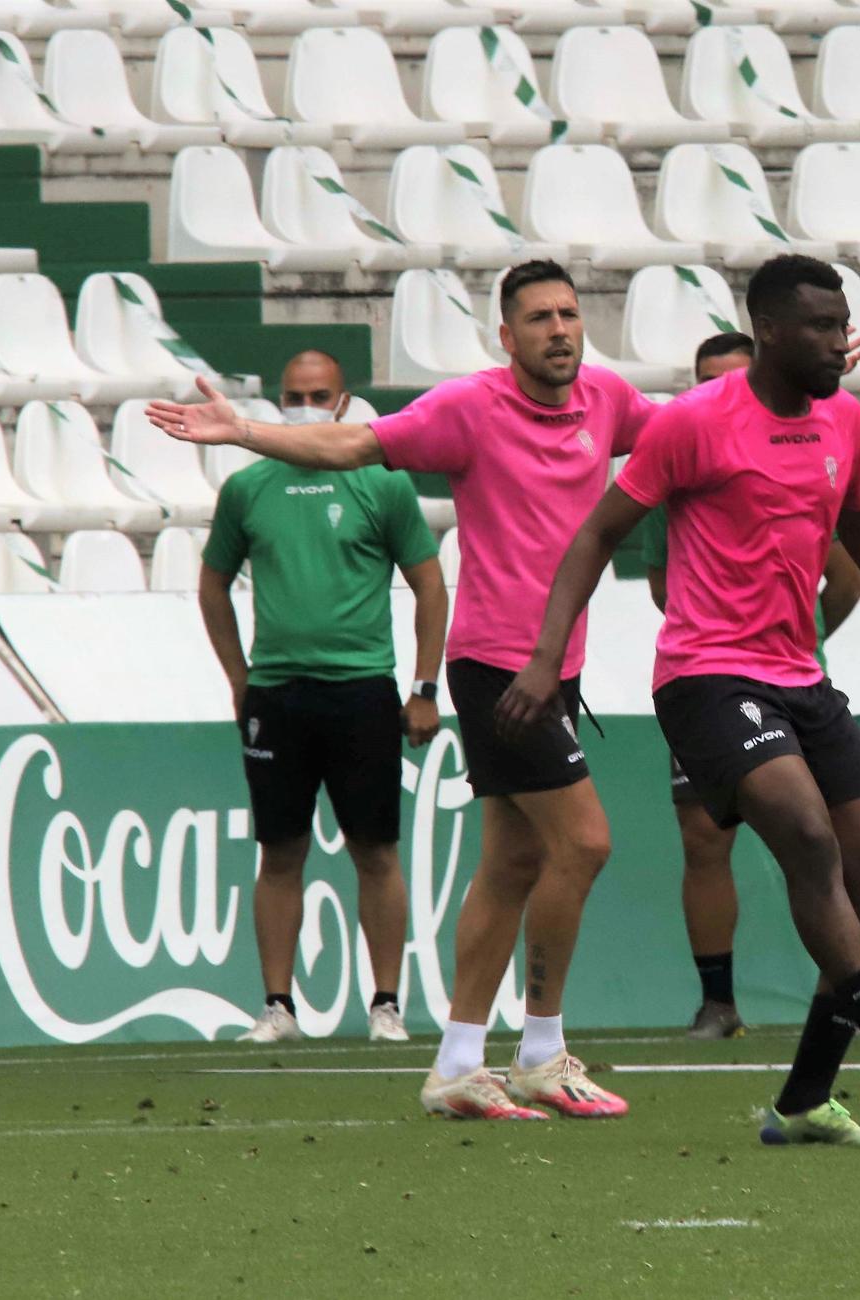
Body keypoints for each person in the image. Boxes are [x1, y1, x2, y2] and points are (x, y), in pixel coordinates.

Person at [500, 254, 860, 1147]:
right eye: (818, 325)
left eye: (842, 322)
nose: (838, 340)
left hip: (801, 677)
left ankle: (805, 1099)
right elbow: (596, 535)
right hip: (704, 675)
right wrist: (546, 659)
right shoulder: (694, 424)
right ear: (769, 330)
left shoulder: (846, 420)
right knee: (808, 837)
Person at [153, 261, 653, 1121]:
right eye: (538, 318)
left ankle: (458, 1063)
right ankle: (540, 1049)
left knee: (513, 863)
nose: (559, 329)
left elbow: (692, 426)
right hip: (501, 665)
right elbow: (348, 444)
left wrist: (790, 383)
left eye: (569, 313)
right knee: (586, 844)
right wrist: (245, 433)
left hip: (559, 666)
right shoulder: (469, 408)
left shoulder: (606, 402)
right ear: (506, 336)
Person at [198, 348, 448, 1045]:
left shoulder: (382, 483)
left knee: (376, 850)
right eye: (293, 392)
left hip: (363, 689)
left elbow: (431, 583)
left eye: (318, 394)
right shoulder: (248, 488)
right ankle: (278, 1006)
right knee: (280, 852)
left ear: (344, 404)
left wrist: (425, 688)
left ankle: (386, 1006)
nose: (304, 403)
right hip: (277, 695)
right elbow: (212, 584)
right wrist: (240, 680)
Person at [625, 331, 860, 1041]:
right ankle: (718, 1001)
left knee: (834, 847)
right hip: (710, 677)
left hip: (797, 679)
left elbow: (848, 575)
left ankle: (848, 1000)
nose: (717, 390)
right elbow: (662, 584)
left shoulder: (807, 452)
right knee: (704, 838)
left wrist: (799, 628)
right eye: (704, 377)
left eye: (730, 377)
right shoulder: (680, 460)